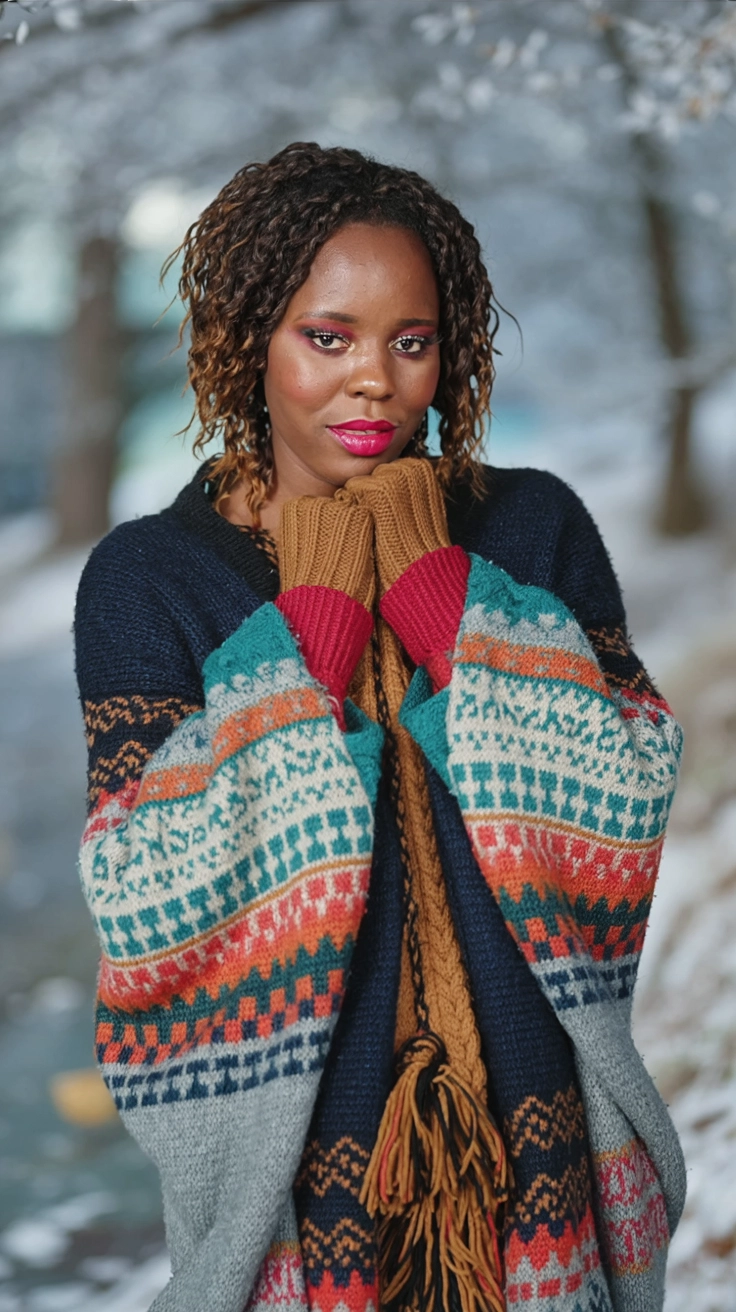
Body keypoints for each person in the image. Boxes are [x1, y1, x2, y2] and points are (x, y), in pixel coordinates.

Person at [74, 143, 685, 1312]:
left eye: (412, 342)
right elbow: (144, 885)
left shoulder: (531, 528)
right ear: (246, 338)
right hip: (304, 1174)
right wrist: (309, 639)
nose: (376, 383)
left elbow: (628, 786)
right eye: (328, 337)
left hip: (533, 1128)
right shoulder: (148, 579)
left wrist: (448, 607)